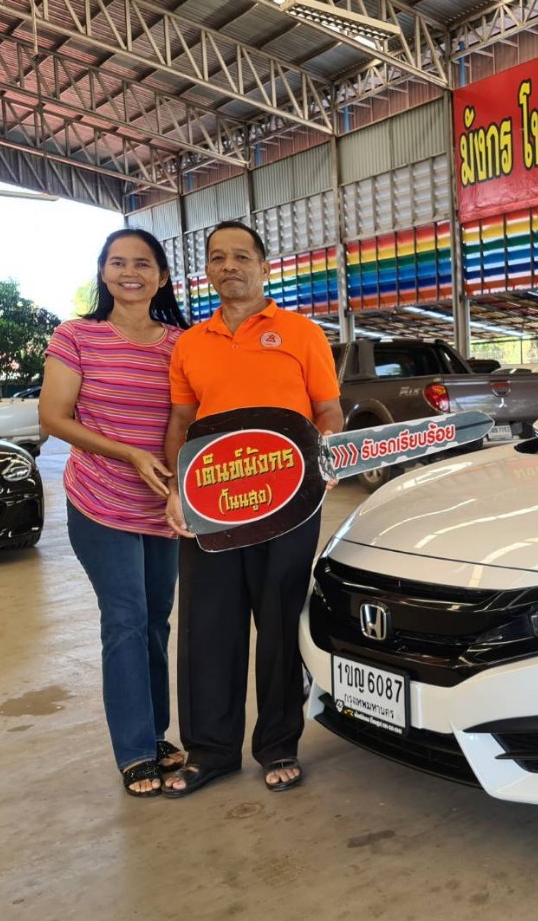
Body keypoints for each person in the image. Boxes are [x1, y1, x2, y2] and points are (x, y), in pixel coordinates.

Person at [162, 221, 342, 798]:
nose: (229, 266)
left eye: (241, 256)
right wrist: (178, 488)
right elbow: (182, 422)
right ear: (207, 271)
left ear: (264, 266)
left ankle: (278, 744)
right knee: (207, 625)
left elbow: (328, 411)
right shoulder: (191, 343)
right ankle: (210, 751)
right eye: (218, 258)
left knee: (279, 622)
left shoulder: (301, 333)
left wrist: (327, 455)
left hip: (289, 503)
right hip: (212, 503)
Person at [39, 228, 190, 798]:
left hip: (163, 505)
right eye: (118, 262)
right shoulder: (77, 336)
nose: (130, 273)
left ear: (162, 277)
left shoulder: (181, 344)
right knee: (125, 618)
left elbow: (190, 420)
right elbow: (54, 417)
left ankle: (156, 733)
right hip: (100, 502)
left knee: (156, 620)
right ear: (103, 272)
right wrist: (128, 453)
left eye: (143, 263)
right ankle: (134, 751)